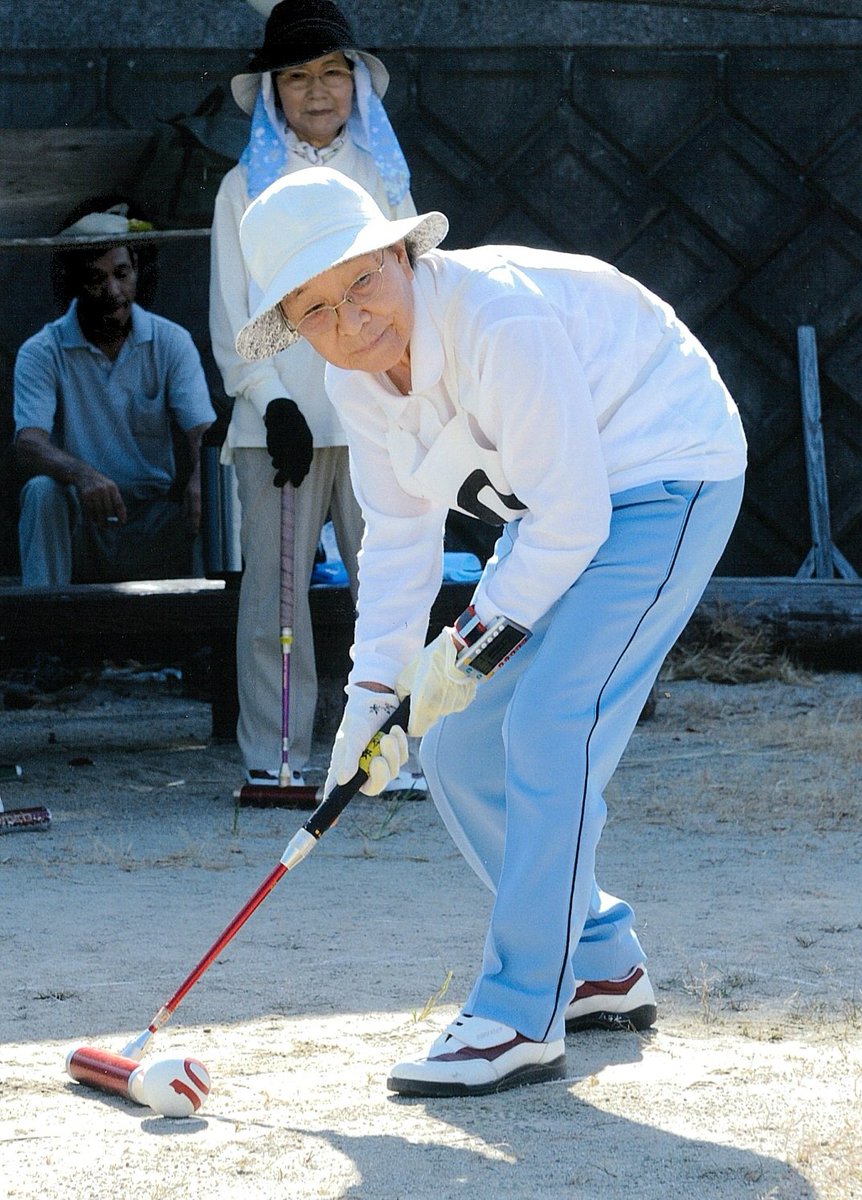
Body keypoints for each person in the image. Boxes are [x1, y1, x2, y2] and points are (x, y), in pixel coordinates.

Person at [235, 167, 748, 1098]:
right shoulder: (353, 382)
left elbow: (573, 523)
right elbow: (398, 539)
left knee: (550, 725)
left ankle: (519, 1013)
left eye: (360, 279)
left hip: (668, 473)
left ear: (400, 251)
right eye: (314, 310)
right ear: (292, 325)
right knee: (463, 742)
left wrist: (461, 649)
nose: (350, 321)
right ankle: (599, 959)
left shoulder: (495, 320)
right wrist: (373, 705)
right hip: (560, 509)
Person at [209, 0, 420, 790]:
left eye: (334, 72)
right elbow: (233, 314)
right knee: (275, 601)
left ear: (358, 84)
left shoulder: (384, 177)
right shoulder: (242, 187)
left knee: (392, 588)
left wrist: (406, 392)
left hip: (380, 414)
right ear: (273, 94)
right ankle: (277, 759)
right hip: (279, 429)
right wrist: (274, 401)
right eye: (297, 77)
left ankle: (390, 757)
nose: (318, 91)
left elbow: (410, 292)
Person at [14, 223, 215, 587]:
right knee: (41, 493)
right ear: (73, 283)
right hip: (82, 517)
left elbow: (202, 431)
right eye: (96, 278)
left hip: (153, 519)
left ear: (137, 271)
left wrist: (201, 481)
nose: (113, 291)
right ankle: (42, 631)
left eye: (122, 274)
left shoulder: (170, 341)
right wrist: (83, 475)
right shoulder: (41, 351)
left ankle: (210, 633)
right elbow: (28, 443)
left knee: (215, 495)